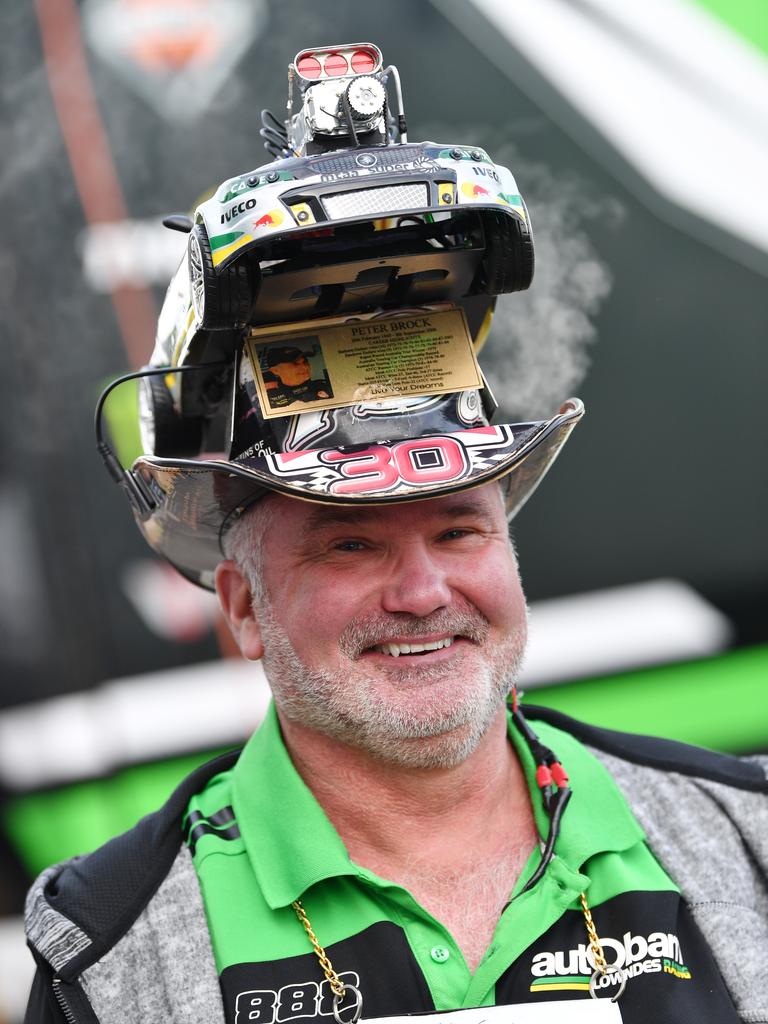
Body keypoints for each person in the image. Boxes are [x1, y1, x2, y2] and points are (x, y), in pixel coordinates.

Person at [263, 345, 332, 410]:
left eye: (305, 361)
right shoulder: (266, 387)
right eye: (295, 363)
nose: (305, 367)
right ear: (275, 370)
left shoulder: (323, 386)